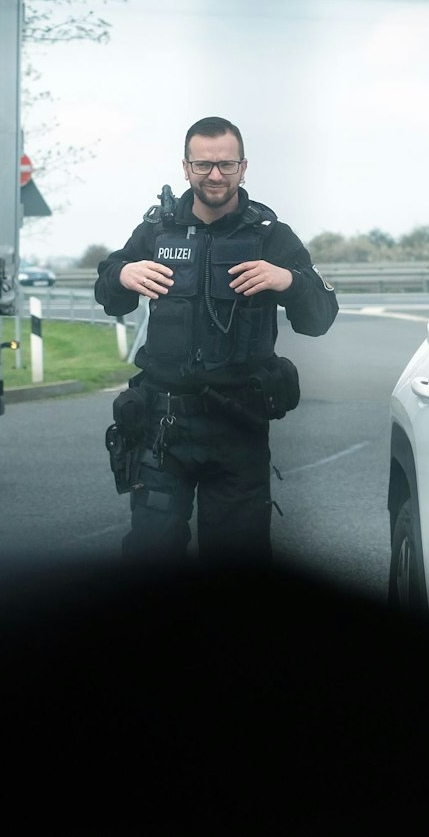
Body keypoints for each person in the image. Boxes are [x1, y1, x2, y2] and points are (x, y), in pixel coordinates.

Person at [95, 116, 339, 564]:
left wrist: (288, 280)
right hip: (162, 424)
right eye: (203, 165)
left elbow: (320, 317)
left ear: (243, 168)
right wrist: (123, 274)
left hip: (237, 426)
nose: (215, 176)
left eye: (226, 165)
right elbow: (109, 293)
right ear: (185, 168)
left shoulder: (270, 235)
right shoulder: (156, 230)